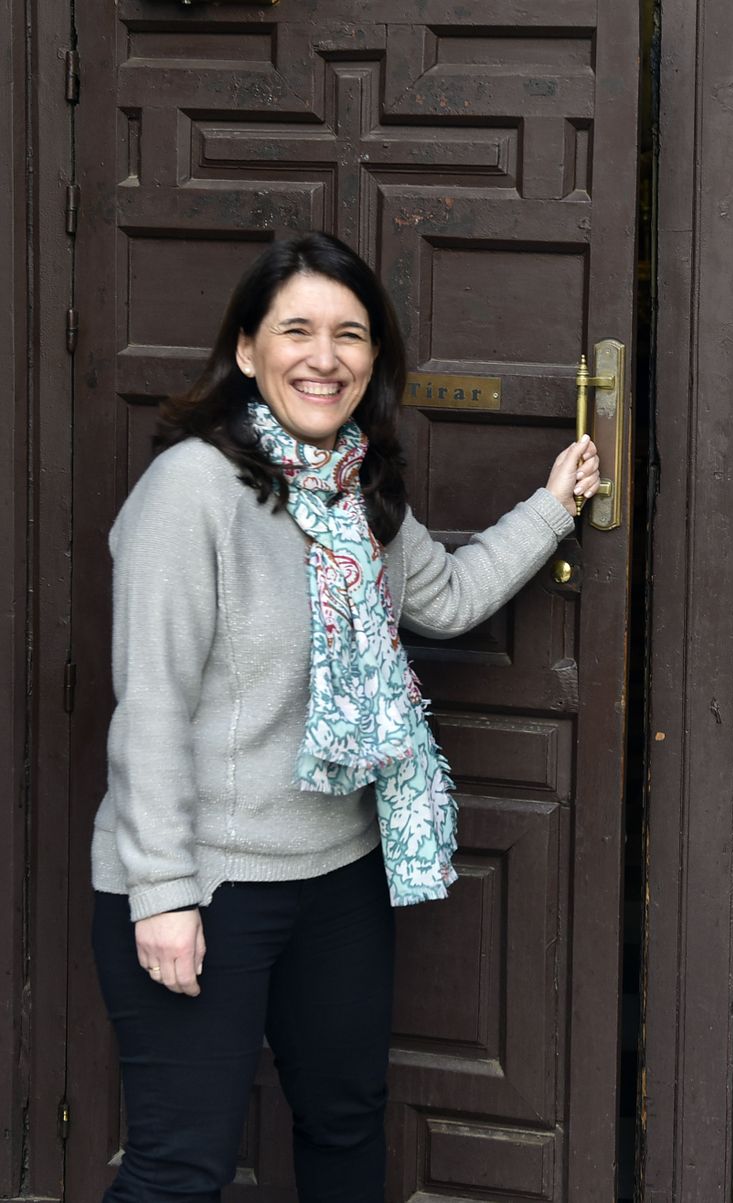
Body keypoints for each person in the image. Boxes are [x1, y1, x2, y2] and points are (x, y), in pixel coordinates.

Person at [90, 231, 600, 1201]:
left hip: (337, 878)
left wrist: (552, 506)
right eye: (297, 331)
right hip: (206, 882)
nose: (325, 358)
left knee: (344, 1130)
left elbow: (444, 600)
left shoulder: (358, 487)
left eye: (351, 335)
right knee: (179, 1167)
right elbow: (150, 704)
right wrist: (160, 895)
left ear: (375, 359)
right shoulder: (190, 490)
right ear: (247, 351)